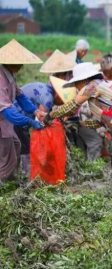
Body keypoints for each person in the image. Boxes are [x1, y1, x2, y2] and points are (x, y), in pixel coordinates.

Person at [45, 62, 112, 199]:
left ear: (84, 80)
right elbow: (102, 122)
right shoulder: (101, 91)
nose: (76, 87)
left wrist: (50, 115)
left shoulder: (92, 85)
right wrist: (79, 123)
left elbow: (72, 106)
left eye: (76, 84)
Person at [0, 39, 46, 183]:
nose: (21, 66)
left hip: (5, 123)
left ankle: (11, 178)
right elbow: (7, 111)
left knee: (16, 145)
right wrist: (30, 121)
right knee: (5, 155)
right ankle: (3, 183)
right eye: (19, 63)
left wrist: (35, 111)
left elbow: (20, 96)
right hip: (3, 121)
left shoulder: (9, 76)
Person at [13, 83, 55, 178]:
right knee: (25, 149)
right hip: (17, 119)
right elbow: (40, 119)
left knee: (18, 148)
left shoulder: (43, 87)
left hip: (14, 114)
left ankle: (19, 175)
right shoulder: (48, 97)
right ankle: (26, 175)